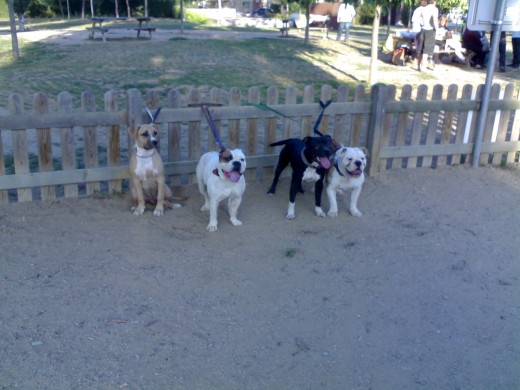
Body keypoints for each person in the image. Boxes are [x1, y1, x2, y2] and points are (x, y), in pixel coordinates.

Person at [413, 0, 439, 71]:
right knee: (426, 50)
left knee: (420, 49)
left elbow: (420, 20)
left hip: (423, 30)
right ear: (434, 2)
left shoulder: (423, 9)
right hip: (430, 30)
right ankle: (423, 67)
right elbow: (434, 20)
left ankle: (418, 66)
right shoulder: (435, 9)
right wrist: (437, 29)